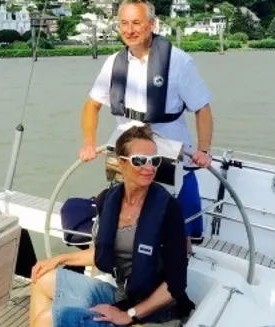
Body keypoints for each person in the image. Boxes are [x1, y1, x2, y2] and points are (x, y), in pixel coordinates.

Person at [28, 126, 194, 327]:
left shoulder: (169, 209)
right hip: (122, 297)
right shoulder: (108, 200)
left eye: (155, 160)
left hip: (155, 313)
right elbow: (104, 253)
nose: (149, 167)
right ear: (121, 163)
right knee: (41, 278)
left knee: (48, 320)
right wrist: (59, 259)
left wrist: (129, 315)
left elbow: (176, 284)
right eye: (140, 160)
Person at [80, 0, 214, 245]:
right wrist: (89, 142)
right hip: (127, 152)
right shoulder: (113, 63)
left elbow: (202, 109)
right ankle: (125, 255)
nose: (129, 30)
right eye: (124, 23)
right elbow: (92, 105)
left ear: (151, 25)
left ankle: (181, 258)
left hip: (170, 151)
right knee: (126, 212)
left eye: (136, 23)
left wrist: (203, 150)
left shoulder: (179, 62)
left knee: (180, 221)